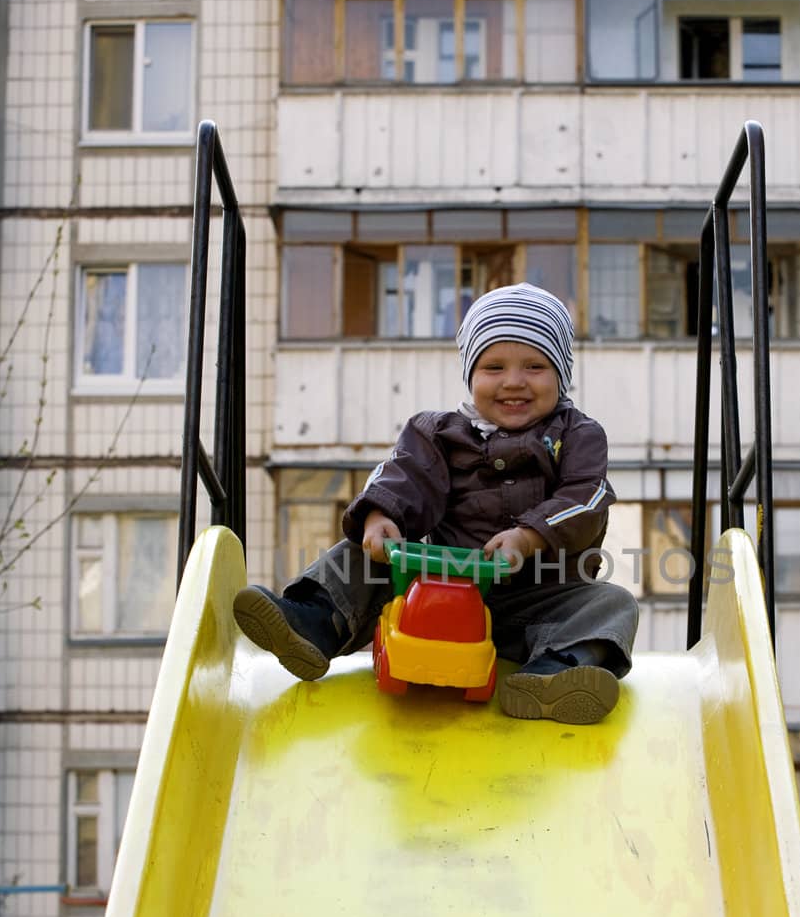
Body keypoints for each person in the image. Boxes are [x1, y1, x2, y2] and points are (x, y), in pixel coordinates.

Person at [233, 283, 638, 724]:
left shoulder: (576, 435)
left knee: (613, 603)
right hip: (438, 588)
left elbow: (586, 497)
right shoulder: (439, 433)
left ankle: (556, 672)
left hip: (539, 599)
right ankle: (313, 621)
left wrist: (528, 536)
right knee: (358, 556)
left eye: (535, 366)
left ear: (560, 372)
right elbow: (405, 476)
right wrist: (380, 515)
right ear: (471, 374)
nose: (514, 381)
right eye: (494, 366)